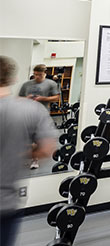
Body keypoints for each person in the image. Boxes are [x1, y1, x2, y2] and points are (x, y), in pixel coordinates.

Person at [1, 56, 58, 246]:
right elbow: (48, 149)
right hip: (7, 203)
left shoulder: (47, 89)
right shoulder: (31, 110)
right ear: (13, 79)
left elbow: (56, 97)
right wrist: (17, 153)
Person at [19, 64, 60, 169]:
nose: (37, 77)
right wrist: (26, 98)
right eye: (35, 74)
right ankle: (25, 158)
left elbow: (56, 98)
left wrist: (42, 98)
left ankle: (35, 160)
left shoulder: (51, 84)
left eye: (40, 75)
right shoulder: (26, 84)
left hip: (42, 116)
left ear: (44, 74)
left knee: (38, 139)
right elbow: (19, 98)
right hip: (27, 114)